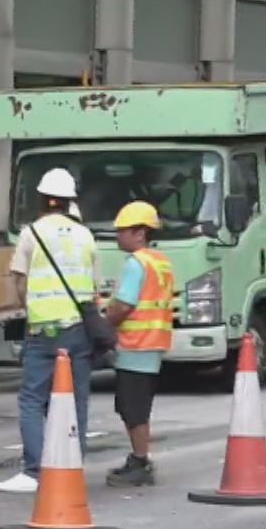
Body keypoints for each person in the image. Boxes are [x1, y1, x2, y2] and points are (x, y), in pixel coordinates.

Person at [0, 167, 96, 494]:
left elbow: (20, 281)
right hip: (79, 328)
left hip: (43, 329)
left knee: (31, 399)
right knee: (75, 399)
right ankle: (72, 464)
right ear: (71, 201)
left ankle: (35, 470)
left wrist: (32, 308)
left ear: (42, 198)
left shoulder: (32, 233)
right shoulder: (86, 235)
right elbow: (93, 286)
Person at [104, 202, 173, 487]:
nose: (118, 236)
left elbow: (123, 305)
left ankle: (141, 462)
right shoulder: (160, 261)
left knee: (133, 408)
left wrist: (105, 319)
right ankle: (138, 458)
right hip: (152, 344)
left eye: (123, 231)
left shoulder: (136, 263)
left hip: (135, 346)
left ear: (140, 233)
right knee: (136, 406)